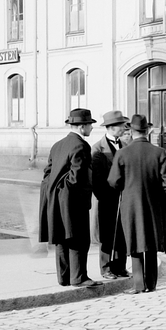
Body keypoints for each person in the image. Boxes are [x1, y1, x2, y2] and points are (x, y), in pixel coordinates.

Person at [108, 113, 166, 294]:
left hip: (130, 206)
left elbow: (113, 181)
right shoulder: (158, 152)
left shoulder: (122, 153)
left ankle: (138, 285)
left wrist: (126, 190)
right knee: (151, 244)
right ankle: (151, 284)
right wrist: (162, 203)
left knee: (134, 243)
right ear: (147, 131)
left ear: (131, 131)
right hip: (154, 207)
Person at [38, 108, 99, 287]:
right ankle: (79, 278)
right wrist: (69, 190)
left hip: (54, 198)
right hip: (72, 200)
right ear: (81, 127)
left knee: (61, 237)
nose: (91, 128)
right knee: (78, 238)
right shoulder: (81, 146)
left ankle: (64, 278)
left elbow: (47, 172)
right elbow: (76, 176)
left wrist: (54, 189)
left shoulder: (57, 145)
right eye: (90, 124)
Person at [90, 109, 130, 280]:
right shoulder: (97, 149)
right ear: (112, 127)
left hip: (124, 198)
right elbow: (96, 179)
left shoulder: (125, 146)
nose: (124, 128)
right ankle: (105, 268)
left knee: (122, 232)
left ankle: (120, 266)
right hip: (106, 199)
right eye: (122, 126)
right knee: (107, 234)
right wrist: (105, 197)